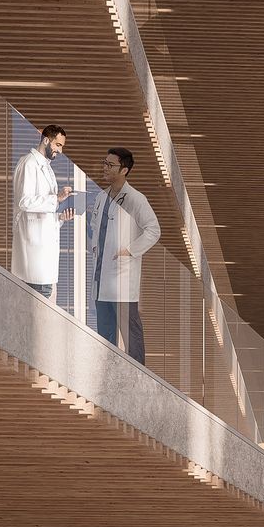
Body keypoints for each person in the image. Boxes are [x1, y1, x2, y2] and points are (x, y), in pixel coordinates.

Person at [86, 147, 160, 364]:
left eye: (110, 165)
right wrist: (94, 247)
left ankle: (139, 378)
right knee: (104, 336)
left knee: (131, 336)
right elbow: (95, 224)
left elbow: (153, 230)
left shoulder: (136, 199)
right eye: (104, 163)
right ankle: (108, 377)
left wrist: (130, 251)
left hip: (122, 279)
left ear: (124, 170)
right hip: (101, 278)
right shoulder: (101, 196)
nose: (105, 168)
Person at [11, 123, 73, 300]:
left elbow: (44, 210)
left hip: (44, 257)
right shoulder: (29, 164)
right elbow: (24, 201)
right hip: (34, 256)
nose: (60, 151)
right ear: (46, 140)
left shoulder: (46, 167)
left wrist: (60, 218)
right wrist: (57, 199)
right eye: (57, 145)